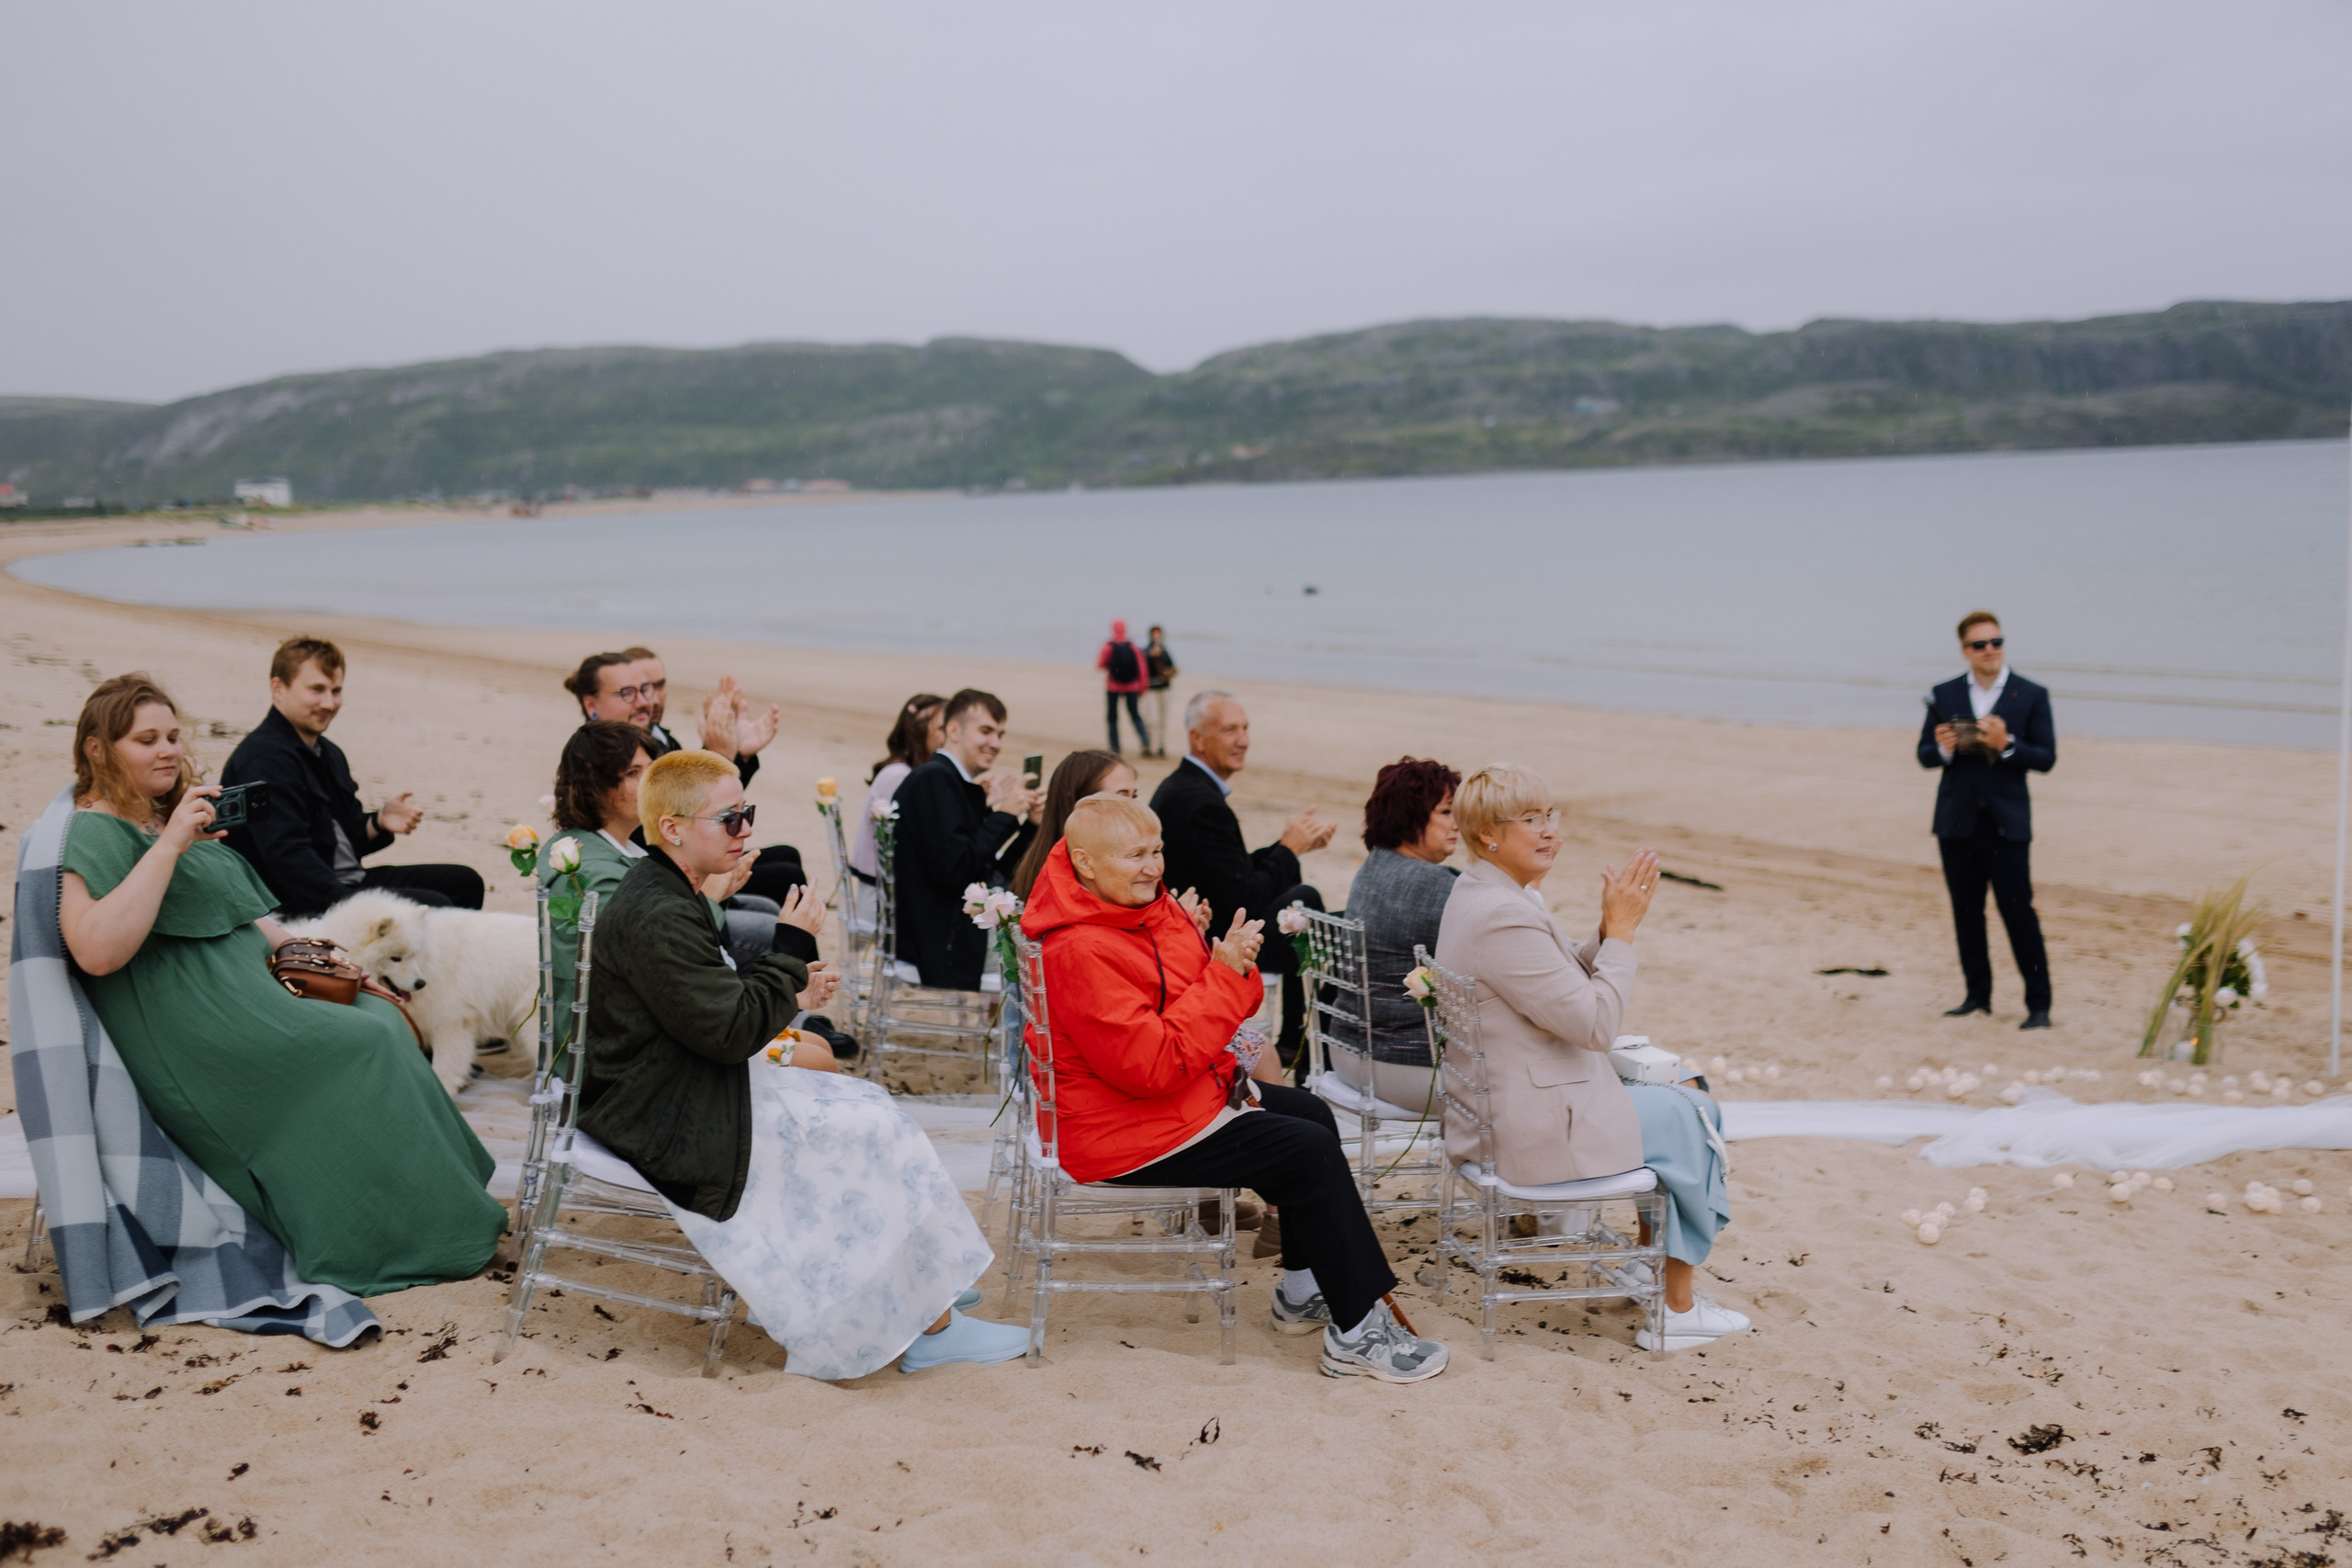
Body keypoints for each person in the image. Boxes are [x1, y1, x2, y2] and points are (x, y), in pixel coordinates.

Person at [582, 750, 1028, 1377]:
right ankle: (930, 1327)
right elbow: (730, 1030)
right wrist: (790, 944)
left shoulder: (668, 890)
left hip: (673, 1084)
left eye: (748, 814)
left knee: (869, 1106)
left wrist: (790, 990)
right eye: (730, 818)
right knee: (862, 1129)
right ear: (674, 829)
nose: (746, 830)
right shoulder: (659, 910)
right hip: (662, 1110)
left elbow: (712, 1013)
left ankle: (924, 1293)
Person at [56, 673, 506, 1294]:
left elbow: (237, 911)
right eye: (145, 739)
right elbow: (96, 950)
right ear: (98, 750)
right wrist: (169, 848)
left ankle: (441, 1210)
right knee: (361, 1045)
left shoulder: (159, 818)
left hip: (248, 991)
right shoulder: (96, 830)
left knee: (380, 1020)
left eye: (172, 736)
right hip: (194, 1023)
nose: (167, 750)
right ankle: (391, 1237)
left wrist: (294, 940)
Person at [1021, 795, 1449, 1383]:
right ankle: (1355, 1333)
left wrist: (1226, 963)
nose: (1153, 867)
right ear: (1085, 864)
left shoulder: (1136, 908)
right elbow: (1152, 1065)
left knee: (1311, 1114)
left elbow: (1194, 1001)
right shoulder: (1081, 947)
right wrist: (1223, 974)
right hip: (1123, 1129)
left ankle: (1301, 1290)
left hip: (1168, 1098)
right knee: (1306, 1150)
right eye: (1136, 856)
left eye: (1157, 850)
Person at [1433, 763, 1744, 1352]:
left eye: (1551, 815)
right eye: (1530, 819)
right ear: (1489, 835)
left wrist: (1606, 927)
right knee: (1695, 1111)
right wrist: (1624, 937)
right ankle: (1674, 1309)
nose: (1549, 830)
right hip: (1534, 1128)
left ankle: (1656, 1277)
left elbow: (1558, 978)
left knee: (1686, 1082)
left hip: (1512, 1103)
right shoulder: (1502, 914)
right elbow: (1596, 1024)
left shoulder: (1486, 891)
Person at [539, 721, 828, 1036]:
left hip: (663, 1009)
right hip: (620, 1034)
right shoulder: (587, 866)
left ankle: (794, 1013)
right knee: (770, 927)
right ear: (595, 787)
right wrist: (708, 897)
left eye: (651, 769)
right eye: (634, 773)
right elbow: (649, 945)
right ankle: (794, 1015)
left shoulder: (626, 843)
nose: (650, 781)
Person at [221, 637, 485, 919]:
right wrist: (354, 906)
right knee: (436, 905)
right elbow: (287, 859)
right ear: (278, 689)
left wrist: (379, 822)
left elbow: (345, 842)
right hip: (292, 902)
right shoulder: (265, 759)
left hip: (344, 883)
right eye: (316, 689)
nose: (329, 703)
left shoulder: (328, 754)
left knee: (465, 883)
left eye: (336, 691)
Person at [1150, 690, 1335, 1073]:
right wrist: (1288, 850)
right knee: (1309, 905)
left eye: (1246, 729)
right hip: (1212, 937)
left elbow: (1230, 872)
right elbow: (1241, 897)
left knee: (1300, 898)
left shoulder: (1186, 787)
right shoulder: (1199, 800)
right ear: (1198, 739)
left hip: (1200, 921)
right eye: (1230, 730)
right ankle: (1300, 1043)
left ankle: (1292, 1039)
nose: (1243, 740)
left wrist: (1289, 848)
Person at [562, 648, 807, 908]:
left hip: (680, 862)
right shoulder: (594, 757)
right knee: (784, 877)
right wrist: (720, 755)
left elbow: (703, 807)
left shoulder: (656, 741)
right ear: (591, 704)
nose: (648, 701)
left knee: (787, 856)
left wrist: (735, 755)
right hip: (669, 879)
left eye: (650, 688)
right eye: (627, 693)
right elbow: (668, 827)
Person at [1918, 611, 2056, 1030]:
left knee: (2019, 912)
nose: (1990, 650)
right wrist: (1942, 747)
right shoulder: (1943, 694)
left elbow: (2047, 758)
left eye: (1996, 642)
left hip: (2007, 823)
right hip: (1956, 821)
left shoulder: (2030, 694)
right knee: (1967, 912)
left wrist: (2007, 744)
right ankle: (1977, 997)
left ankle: (2038, 1005)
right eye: (1980, 644)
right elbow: (1924, 755)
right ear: (1965, 651)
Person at [891, 689, 1040, 989]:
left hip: (949, 930)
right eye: (986, 731)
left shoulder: (950, 782)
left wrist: (1030, 827)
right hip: (942, 941)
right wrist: (1006, 814)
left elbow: (990, 868)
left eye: (1000, 734)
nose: (995, 743)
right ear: (954, 730)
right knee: (1044, 951)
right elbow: (956, 869)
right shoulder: (933, 779)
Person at [1335, 758, 1461, 1111]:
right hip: (1403, 1064)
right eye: (1447, 812)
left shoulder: (1375, 864)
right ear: (1411, 815)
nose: (1457, 825)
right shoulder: (1432, 884)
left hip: (1345, 1050)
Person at [1009, 749, 1136, 901]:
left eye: (1134, 797)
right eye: (1121, 798)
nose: (1135, 808)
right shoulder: (1074, 878)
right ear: (1083, 803)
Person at [849, 694, 945, 883]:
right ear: (918, 731)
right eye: (943, 728)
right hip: (879, 887)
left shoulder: (906, 770)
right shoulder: (899, 775)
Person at [1097, 619, 1150, 756]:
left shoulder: (1108, 646)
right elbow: (1142, 667)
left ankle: (1115, 747)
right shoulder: (1133, 645)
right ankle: (1145, 741)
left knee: (1112, 717)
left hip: (1113, 686)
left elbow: (1100, 664)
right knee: (1135, 715)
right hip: (1132, 686)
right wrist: (1143, 686)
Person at [1142, 626, 1178, 761]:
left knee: (1163, 720)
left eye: (1159, 634)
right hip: (1151, 688)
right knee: (1152, 720)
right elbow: (1141, 665)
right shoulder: (1146, 651)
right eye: (1155, 634)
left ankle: (1161, 746)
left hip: (1164, 688)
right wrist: (1151, 656)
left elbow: (1171, 666)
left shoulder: (1165, 651)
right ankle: (1149, 745)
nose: (1157, 637)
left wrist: (1172, 671)